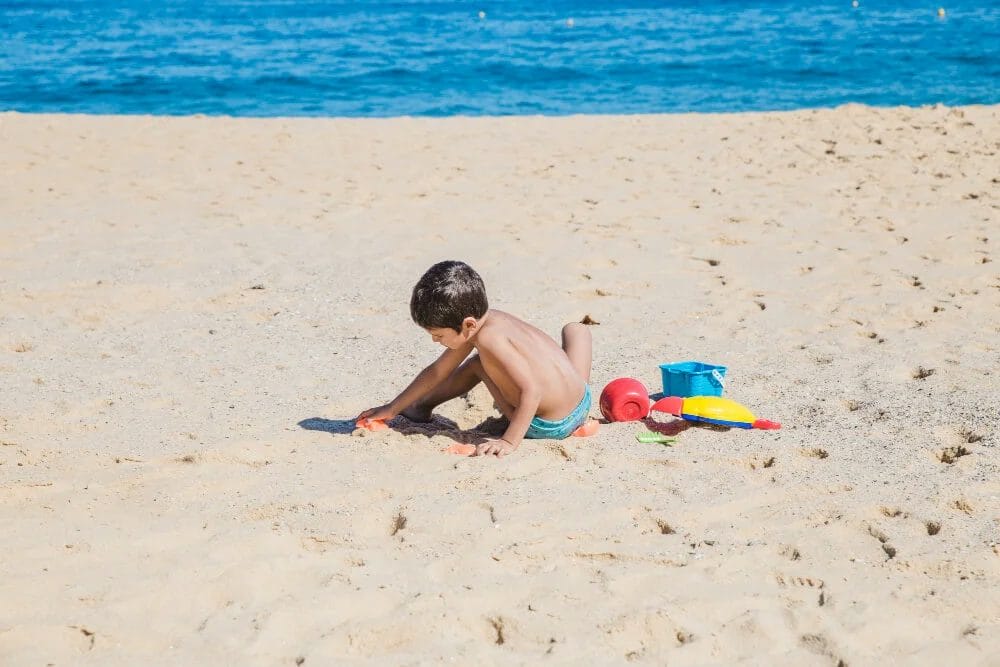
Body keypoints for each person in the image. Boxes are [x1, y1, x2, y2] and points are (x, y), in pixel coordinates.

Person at [357, 260, 593, 458]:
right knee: (575, 330)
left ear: (468, 324)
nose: (435, 341)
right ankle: (418, 406)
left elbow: (532, 391)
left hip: (549, 426)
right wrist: (392, 407)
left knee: (477, 365)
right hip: (582, 400)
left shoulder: (490, 340)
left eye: (438, 335)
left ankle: (421, 406)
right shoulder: (492, 320)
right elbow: (437, 370)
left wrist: (509, 442)